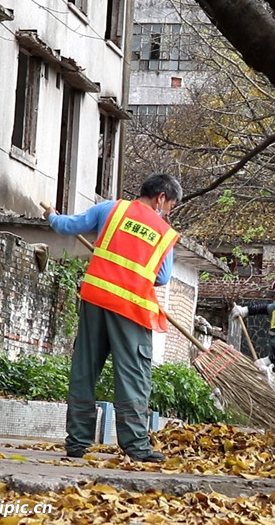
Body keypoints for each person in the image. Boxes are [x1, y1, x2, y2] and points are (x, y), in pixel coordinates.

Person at [44, 173, 182, 463]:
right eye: (170, 205)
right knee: (133, 375)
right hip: (131, 310)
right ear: (161, 197)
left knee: (85, 369)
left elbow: (69, 225)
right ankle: (136, 446)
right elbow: (163, 276)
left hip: (95, 300)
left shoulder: (110, 209)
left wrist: (52, 216)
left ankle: (77, 443)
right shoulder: (163, 232)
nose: (168, 211)